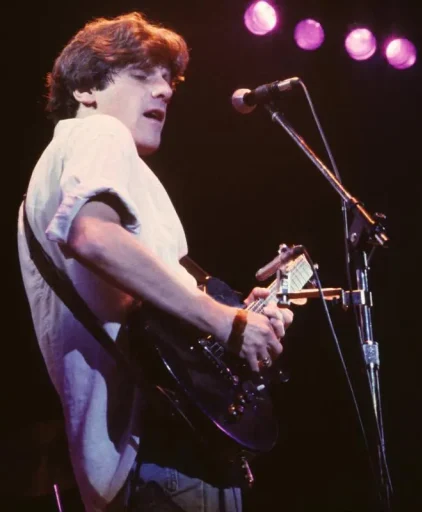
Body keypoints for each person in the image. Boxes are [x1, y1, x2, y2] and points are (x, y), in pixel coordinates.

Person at [17, 12, 293, 512]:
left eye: (170, 80)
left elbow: (153, 317)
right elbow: (91, 236)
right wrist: (228, 323)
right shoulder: (99, 134)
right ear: (87, 90)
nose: (165, 91)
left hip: (137, 455)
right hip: (160, 455)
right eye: (144, 75)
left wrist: (244, 315)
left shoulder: (75, 165)